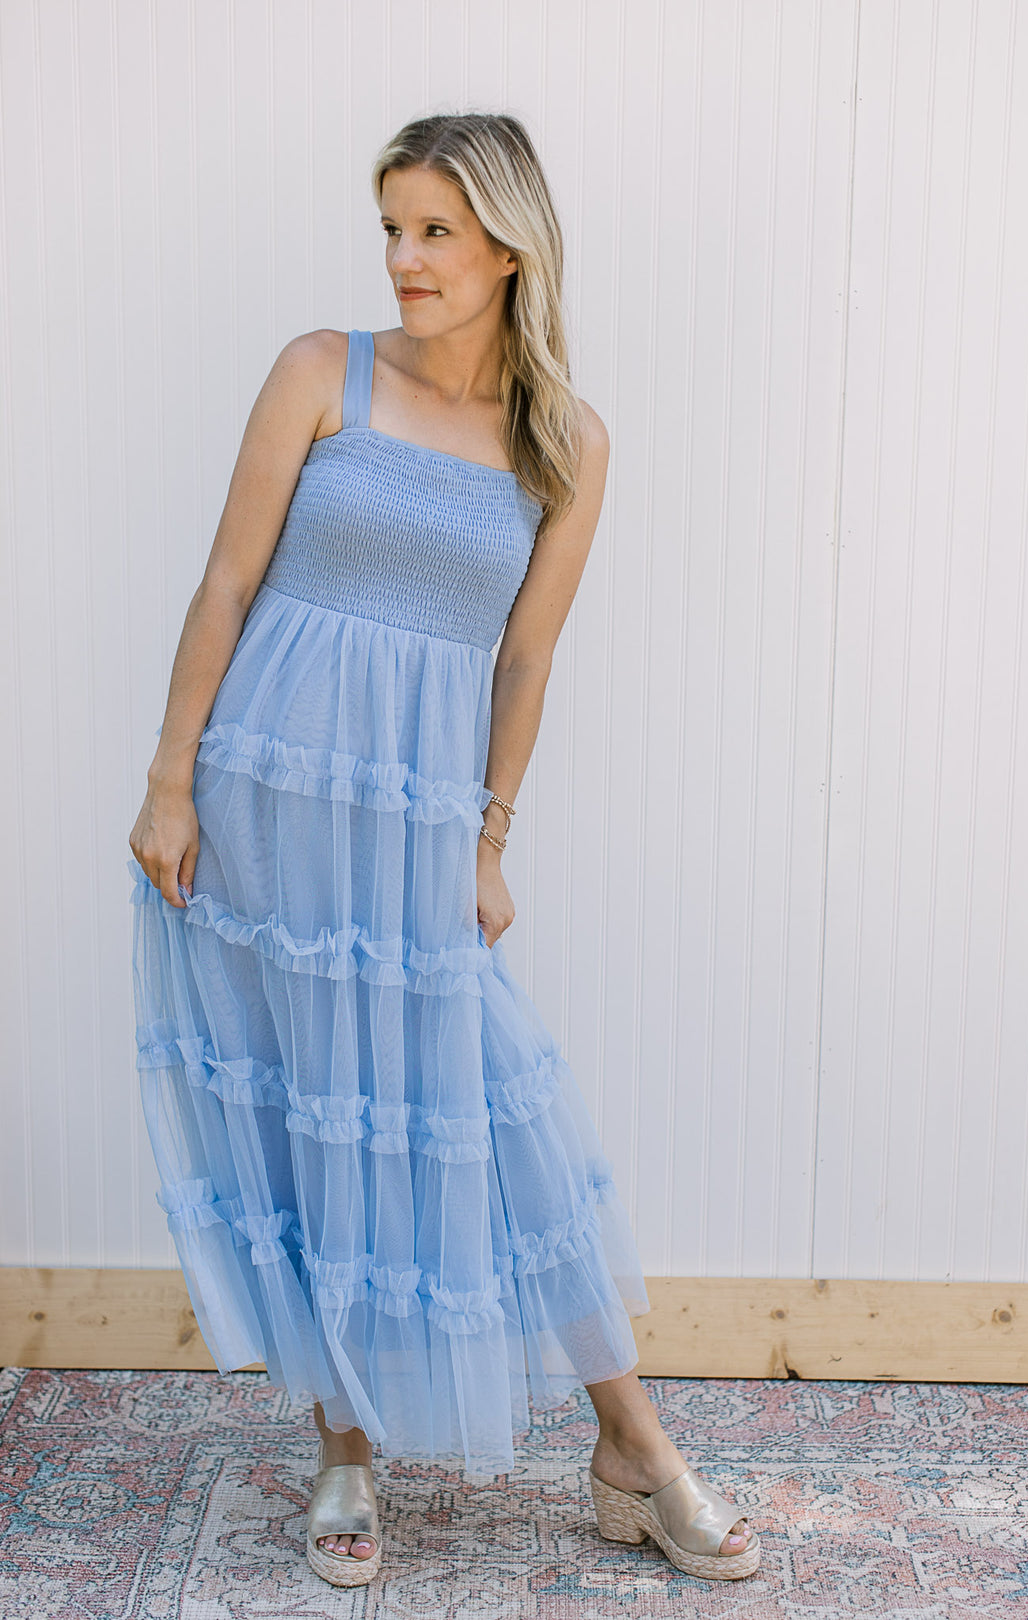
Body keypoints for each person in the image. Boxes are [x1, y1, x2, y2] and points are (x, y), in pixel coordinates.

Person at [127, 110, 759, 1589]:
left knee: (498, 1119)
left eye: (436, 232)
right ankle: (345, 1450)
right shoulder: (319, 373)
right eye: (393, 230)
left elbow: (523, 665)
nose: (406, 261)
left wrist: (488, 840)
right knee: (304, 1119)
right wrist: (171, 784)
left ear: (510, 246)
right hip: (263, 806)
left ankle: (636, 1450)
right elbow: (226, 584)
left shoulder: (567, 443)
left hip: (410, 833)